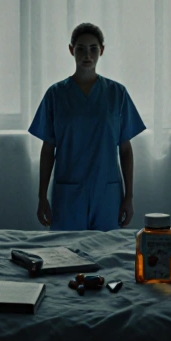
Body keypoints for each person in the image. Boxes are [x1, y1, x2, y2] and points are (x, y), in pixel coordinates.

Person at [28, 23, 146, 231]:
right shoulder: (56, 95)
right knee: (66, 254)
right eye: (81, 48)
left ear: (102, 50)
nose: (87, 55)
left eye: (93, 48)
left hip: (107, 191)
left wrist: (129, 197)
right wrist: (41, 197)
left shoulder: (117, 94)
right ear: (71, 50)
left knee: (108, 254)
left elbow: (125, 149)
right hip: (68, 192)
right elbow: (48, 150)